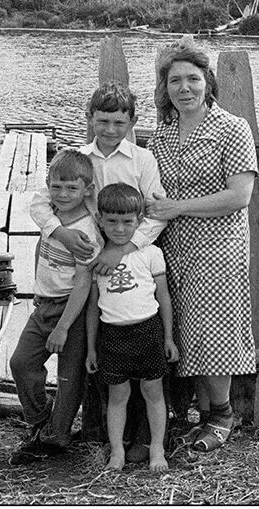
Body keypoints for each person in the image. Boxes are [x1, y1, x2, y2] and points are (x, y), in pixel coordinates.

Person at [29, 82, 168, 463]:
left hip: (130, 260)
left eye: (118, 122)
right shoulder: (77, 158)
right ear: (90, 119)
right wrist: (58, 232)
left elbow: (154, 214)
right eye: (102, 121)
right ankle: (101, 433)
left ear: (132, 122)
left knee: (140, 347)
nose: (109, 130)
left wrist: (122, 247)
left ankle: (143, 438)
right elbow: (42, 201)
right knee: (104, 351)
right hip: (88, 266)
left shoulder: (142, 160)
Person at [145, 36, 258, 452]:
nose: (185, 88)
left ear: (208, 82)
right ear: (165, 87)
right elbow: (151, 192)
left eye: (193, 79)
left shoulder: (231, 127)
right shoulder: (162, 133)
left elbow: (239, 195)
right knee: (182, 329)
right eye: (175, 81)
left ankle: (222, 415)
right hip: (172, 247)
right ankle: (193, 414)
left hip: (218, 246)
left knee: (214, 331)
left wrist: (177, 208)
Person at [9, 149, 103, 465]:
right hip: (44, 304)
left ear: (87, 190)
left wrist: (63, 326)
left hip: (70, 311)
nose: (62, 195)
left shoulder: (87, 232)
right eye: (57, 187)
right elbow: (42, 243)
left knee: (68, 378)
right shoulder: (52, 217)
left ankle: (55, 437)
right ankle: (39, 419)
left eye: (71, 189)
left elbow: (83, 283)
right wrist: (37, 290)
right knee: (22, 362)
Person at [85, 183, 179, 472]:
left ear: (139, 221)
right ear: (100, 219)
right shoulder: (96, 257)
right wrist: (91, 348)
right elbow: (93, 307)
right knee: (118, 397)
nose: (120, 228)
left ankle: (157, 449)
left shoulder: (150, 253)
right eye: (111, 221)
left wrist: (169, 337)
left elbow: (163, 297)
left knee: (153, 393)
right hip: (112, 335)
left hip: (148, 332)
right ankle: (117, 451)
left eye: (128, 221)